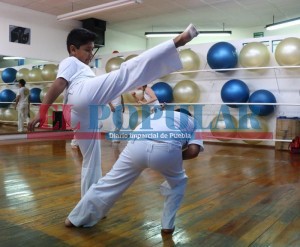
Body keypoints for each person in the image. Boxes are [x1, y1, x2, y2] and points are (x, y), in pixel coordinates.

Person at [28, 23, 199, 197]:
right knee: (124, 74)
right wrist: (41, 112)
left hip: (80, 112)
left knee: (92, 159)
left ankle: (89, 201)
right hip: (79, 97)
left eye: (93, 50)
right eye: (87, 50)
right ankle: (176, 41)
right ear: (73, 49)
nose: (90, 55)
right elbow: (59, 83)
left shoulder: (85, 68)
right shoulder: (70, 61)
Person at [64, 108, 204, 234]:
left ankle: (74, 218)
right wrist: (171, 157)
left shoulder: (160, 114)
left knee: (110, 182)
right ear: (190, 116)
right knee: (178, 184)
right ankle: (167, 225)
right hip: (168, 148)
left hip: (137, 143)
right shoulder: (194, 123)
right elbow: (193, 152)